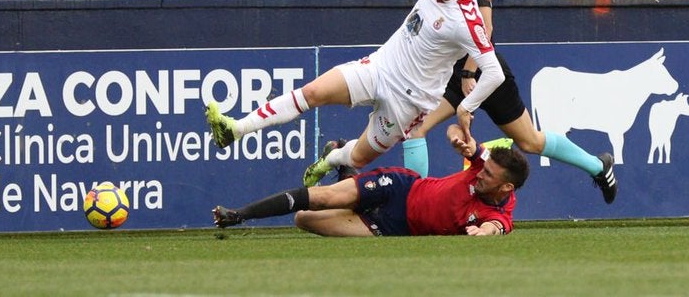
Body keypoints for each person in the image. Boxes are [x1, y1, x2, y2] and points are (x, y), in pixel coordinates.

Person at [205, 0, 504, 184]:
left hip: (409, 101)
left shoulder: (466, 20)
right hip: (379, 68)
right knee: (312, 92)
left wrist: (466, 106)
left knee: (357, 157)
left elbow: (494, 72)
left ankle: (331, 158)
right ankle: (235, 130)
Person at [398, 0, 618, 204]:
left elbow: (486, 30)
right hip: (453, 74)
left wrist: (468, 74)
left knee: (529, 141)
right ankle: (414, 206)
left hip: (483, 73)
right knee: (415, 128)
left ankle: (598, 166)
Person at [212, 135, 527, 237]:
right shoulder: (483, 164)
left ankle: (347, 172)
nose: (481, 174)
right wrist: (461, 139)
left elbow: (496, 228)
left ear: (506, 189)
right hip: (400, 188)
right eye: (483, 169)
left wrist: (482, 233)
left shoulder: (498, 214)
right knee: (322, 198)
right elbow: (461, 134)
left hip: (394, 226)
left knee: (304, 220)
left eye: (489, 176)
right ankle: (238, 215)